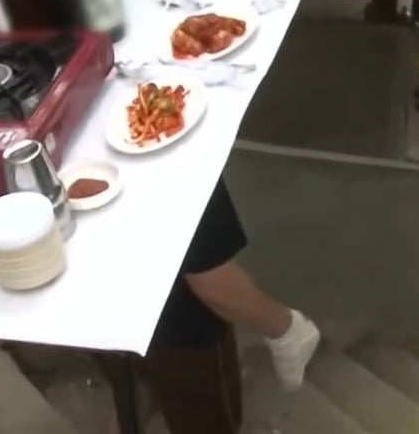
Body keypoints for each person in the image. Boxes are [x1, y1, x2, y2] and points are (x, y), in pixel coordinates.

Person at [137, 177, 321, 433]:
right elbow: (209, 277)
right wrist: (282, 328)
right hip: (174, 331)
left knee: (142, 382)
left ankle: (287, 331)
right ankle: (288, 332)